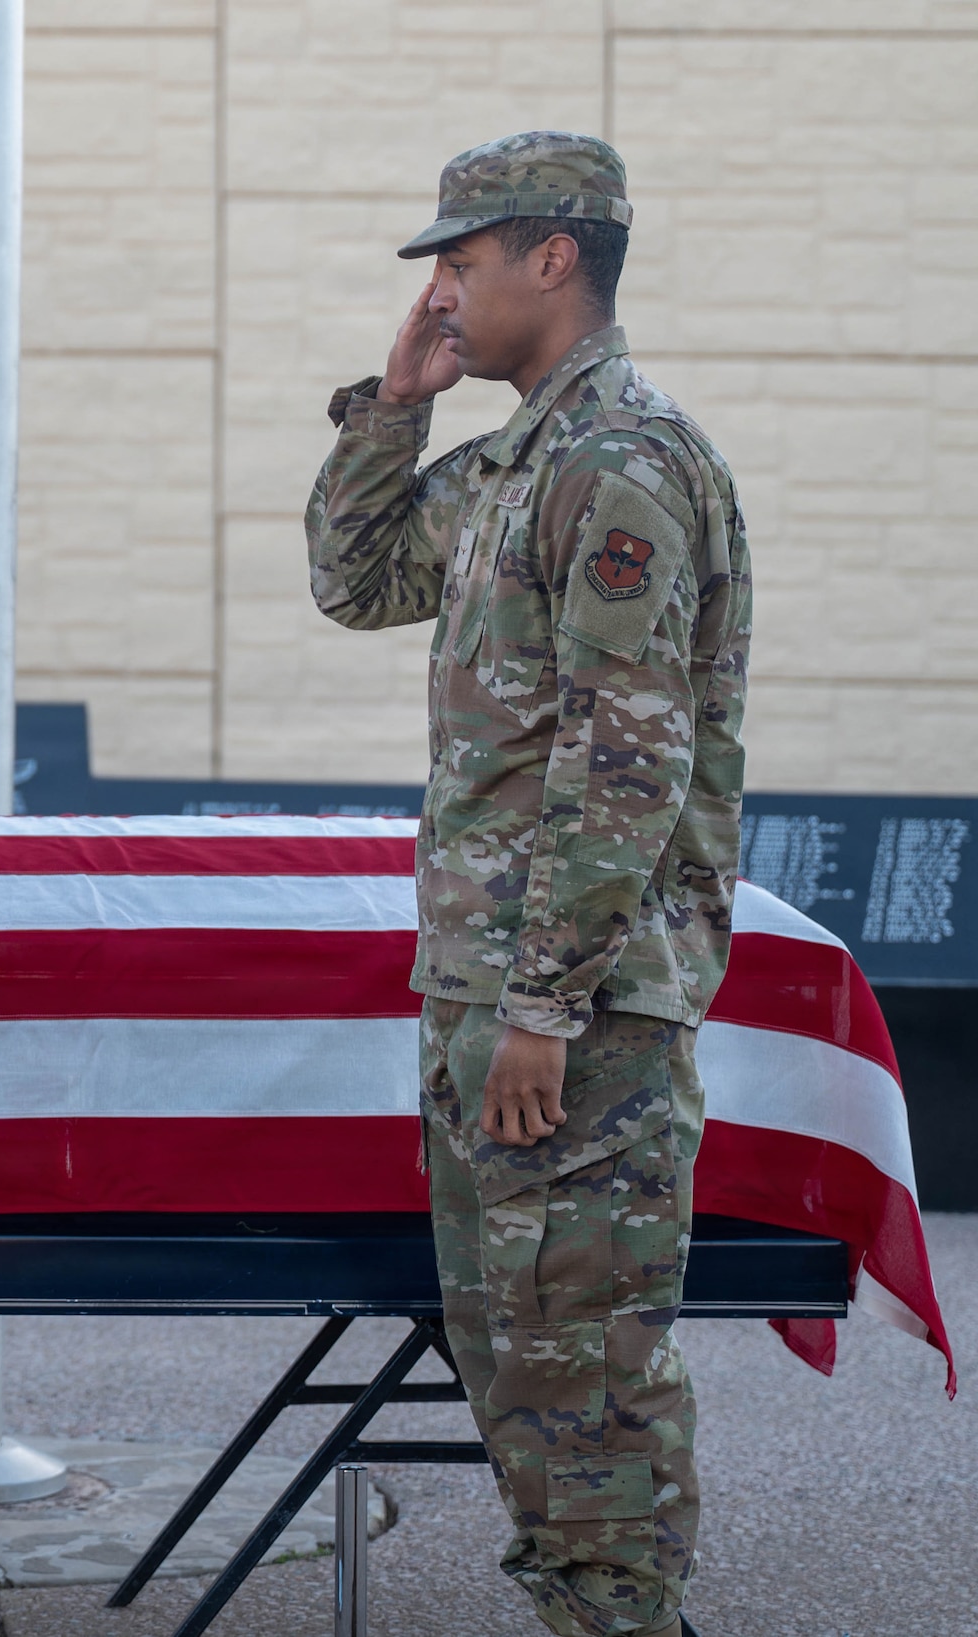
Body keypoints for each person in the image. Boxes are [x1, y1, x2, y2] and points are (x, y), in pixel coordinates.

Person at [305, 133, 752, 1637]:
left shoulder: (620, 463)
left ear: (553, 258)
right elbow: (354, 578)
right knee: (514, 1354)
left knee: (583, 1376)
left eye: (463, 258)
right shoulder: (519, 458)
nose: (444, 287)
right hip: (499, 988)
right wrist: (395, 409)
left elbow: (628, 756)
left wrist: (545, 1003)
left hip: (575, 1010)